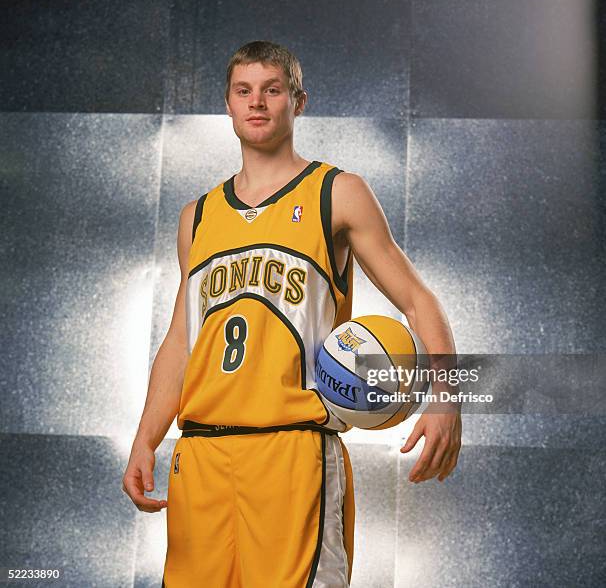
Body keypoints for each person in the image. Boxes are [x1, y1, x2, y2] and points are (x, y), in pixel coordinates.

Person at [122, 40, 462, 587]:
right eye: (244, 91)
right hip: (202, 458)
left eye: (272, 90)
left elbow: (418, 300)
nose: (257, 102)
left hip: (293, 451)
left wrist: (446, 397)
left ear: (297, 102)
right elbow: (183, 341)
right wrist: (145, 440)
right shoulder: (198, 217)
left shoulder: (338, 193)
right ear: (228, 105)